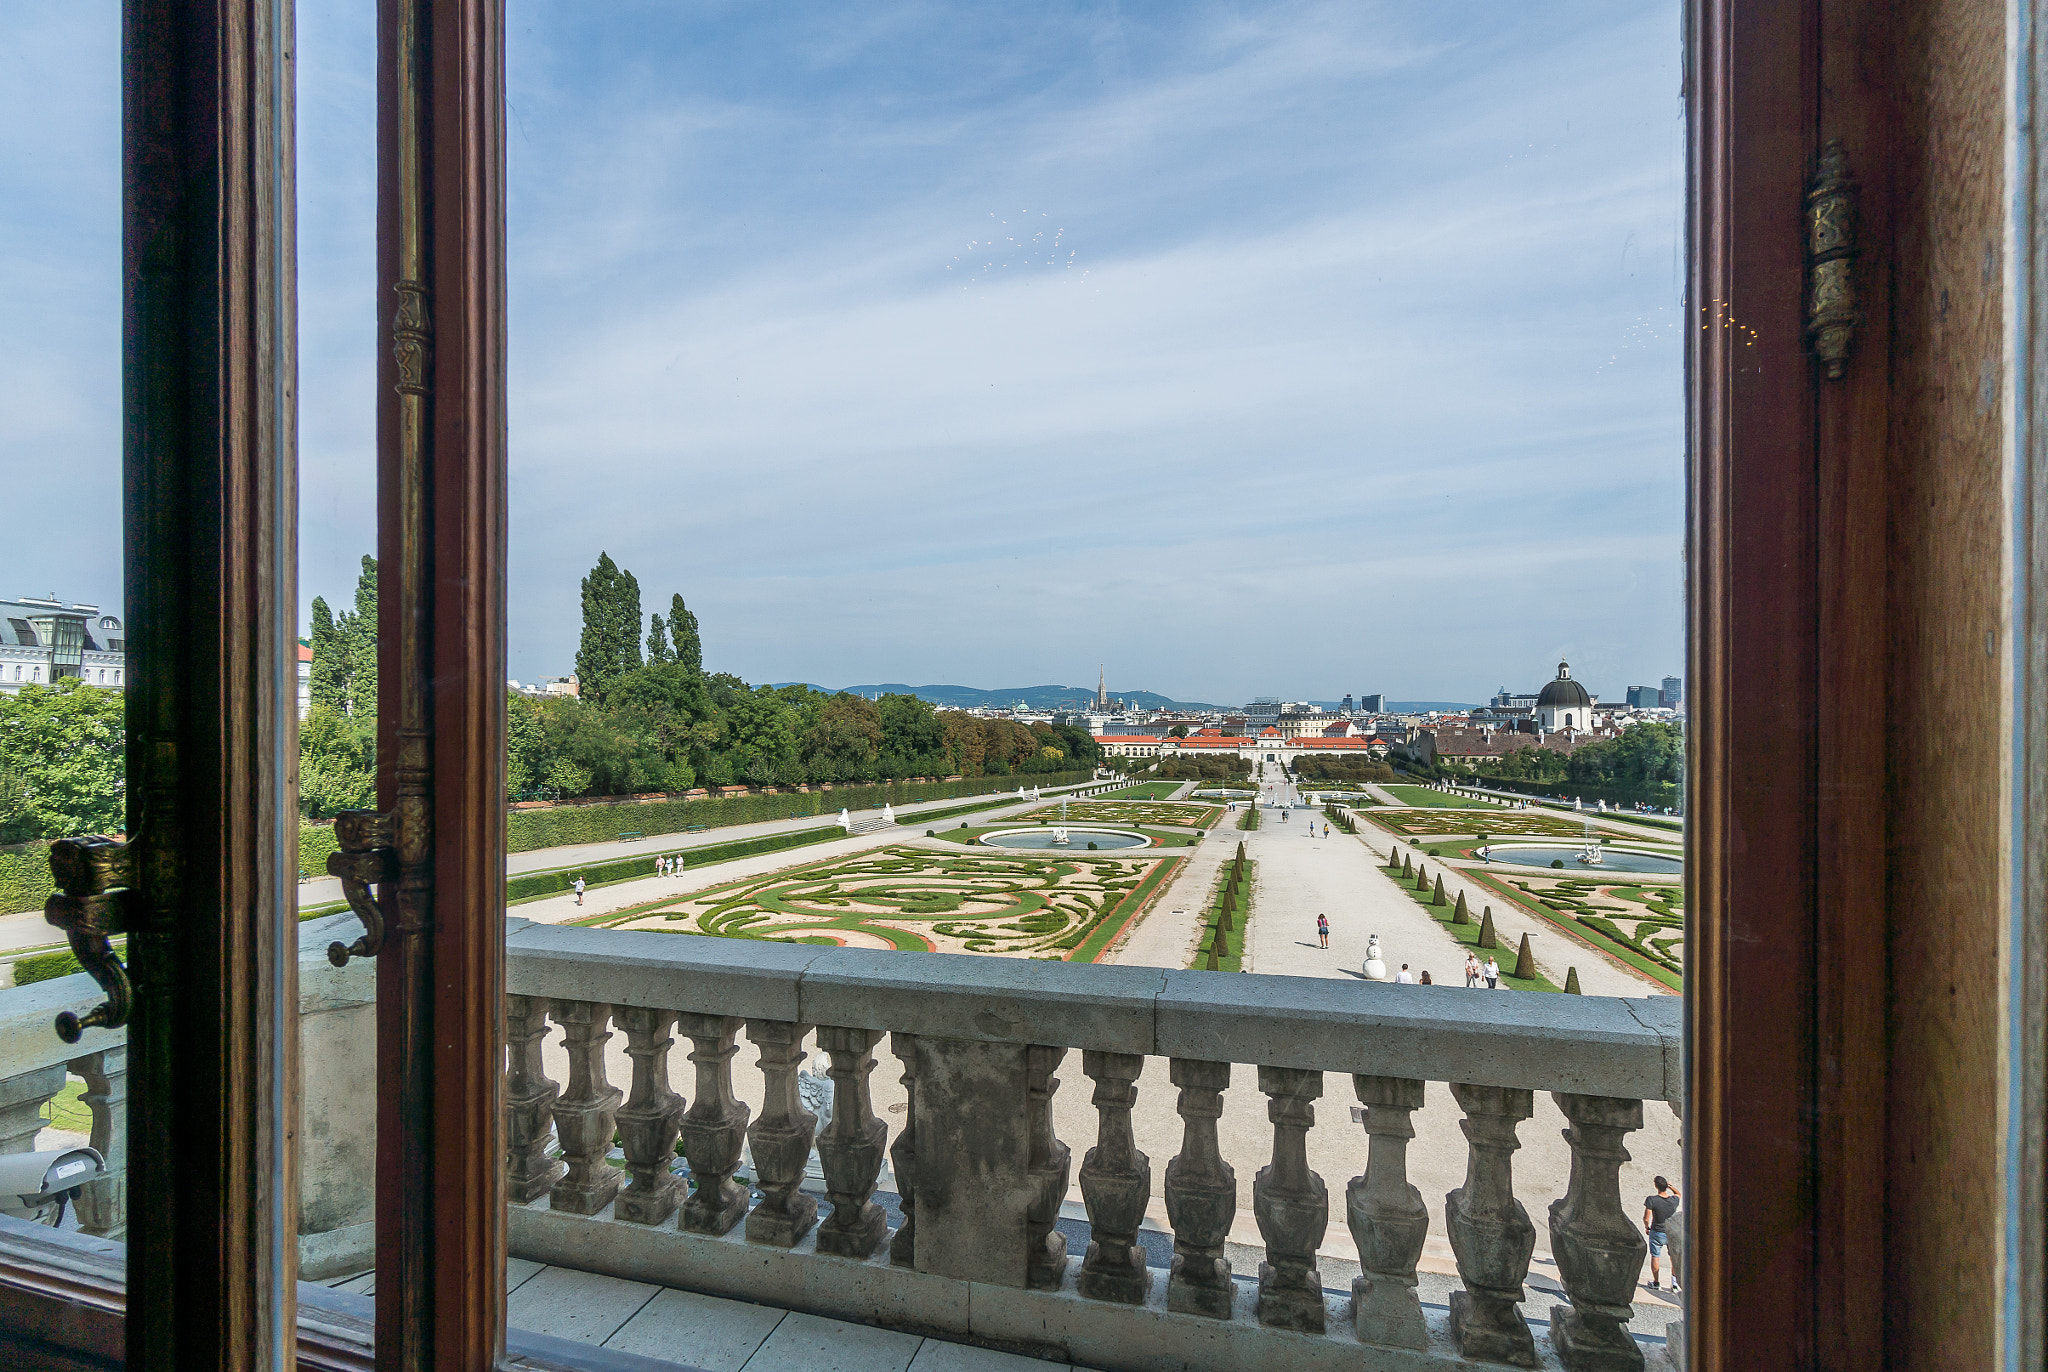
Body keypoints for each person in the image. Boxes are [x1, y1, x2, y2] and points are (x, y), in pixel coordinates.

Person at [1644, 1178, 1682, 1291]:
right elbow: (1678, 1193)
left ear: (1656, 1186)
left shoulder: (1651, 1200)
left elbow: (1646, 1218)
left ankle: (1656, 1283)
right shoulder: (1674, 1200)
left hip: (1657, 1232)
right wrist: (1671, 1187)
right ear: (1666, 1186)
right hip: (1671, 1233)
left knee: (1655, 1256)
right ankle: (1674, 1284)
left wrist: (1647, 1227)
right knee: (1673, 1258)